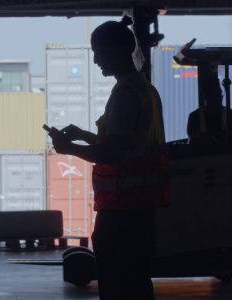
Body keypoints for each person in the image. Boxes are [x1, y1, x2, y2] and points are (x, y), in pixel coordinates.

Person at [48, 16, 170, 300]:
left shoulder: (124, 94)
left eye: (98, 53)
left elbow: (114, 154)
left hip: (121, 208)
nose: (96, 61)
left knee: (119, 285)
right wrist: (84, 135)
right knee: (137, 282)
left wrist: (68, 149)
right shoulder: (143, 89)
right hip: (140, 207)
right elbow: (126, 145)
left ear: (115, 50)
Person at [186, 76, 232, 144]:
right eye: (215, 94)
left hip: (226, 154)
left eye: (220, 93)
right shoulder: (195, 117)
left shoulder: (231, 115)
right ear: (205, 95)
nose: (220, 96)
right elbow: (193, 142)